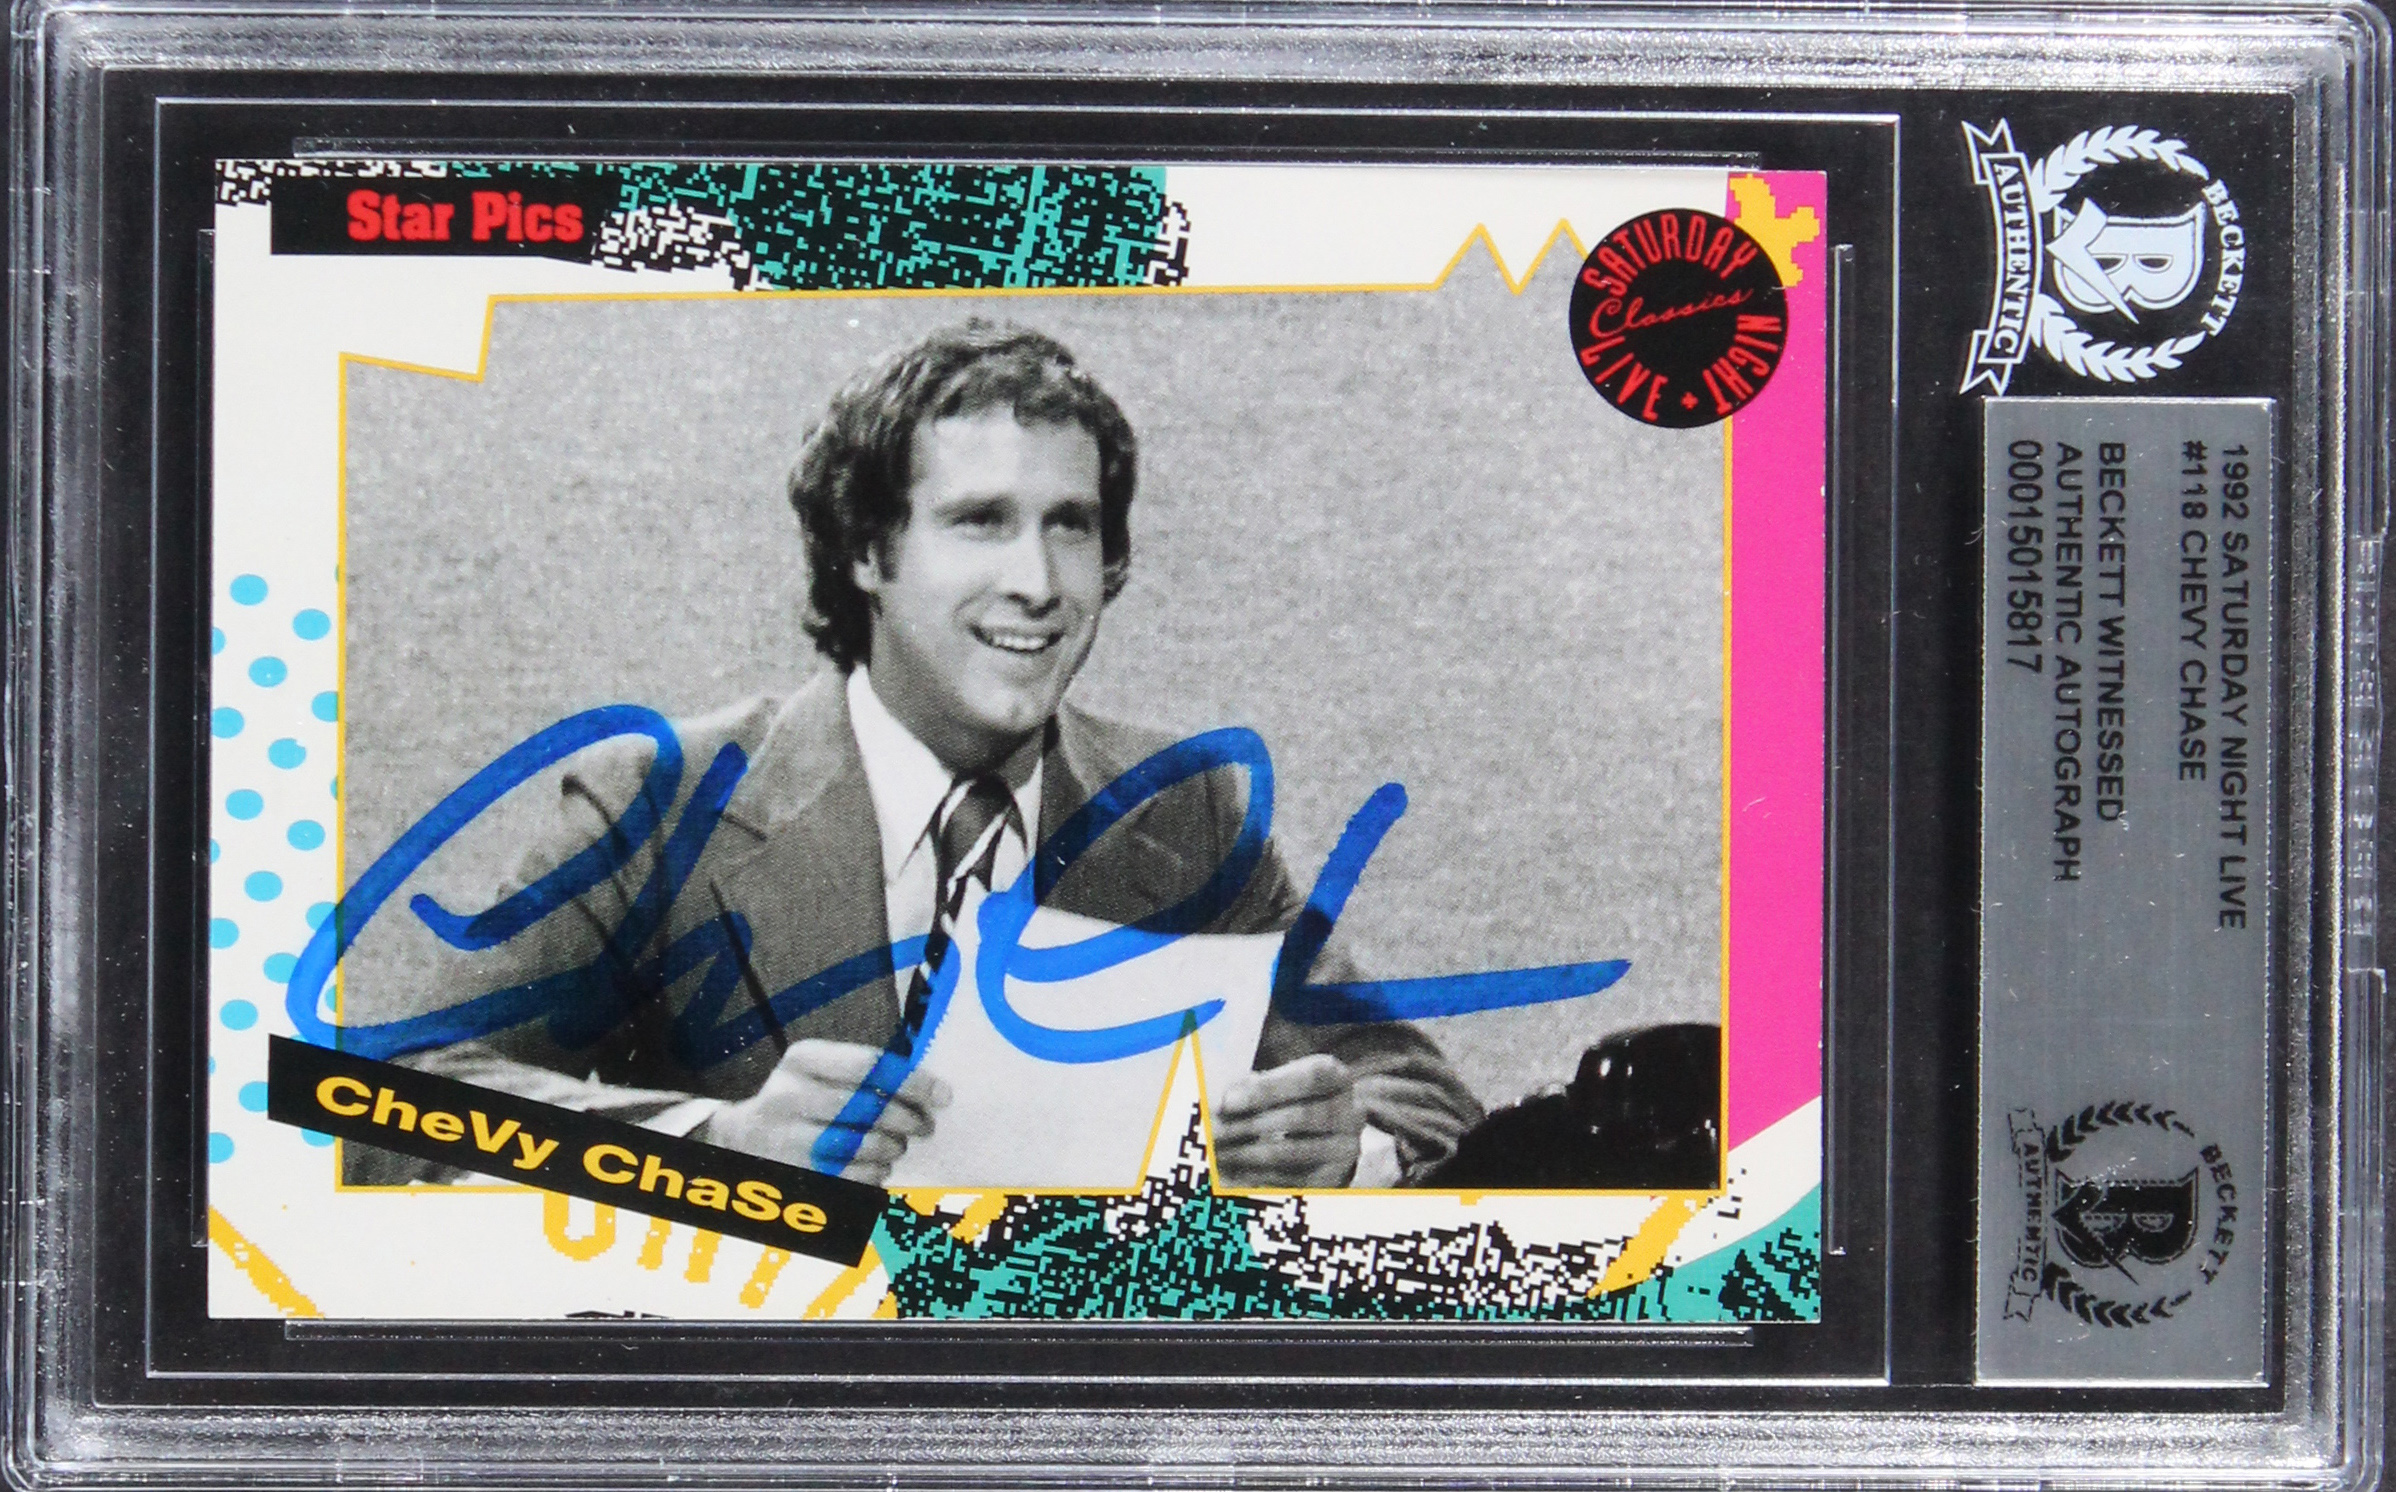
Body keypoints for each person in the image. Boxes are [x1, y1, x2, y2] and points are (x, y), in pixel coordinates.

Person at [392, 321, 1481, 1189]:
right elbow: (396, 1102)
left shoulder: (1182, 808)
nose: (1038, 584)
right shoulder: (662, 800)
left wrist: (1342, 1151)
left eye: (1070, 524)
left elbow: (1429, 1106)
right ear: (867, 551)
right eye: (979, 521)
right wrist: (713, 1148)